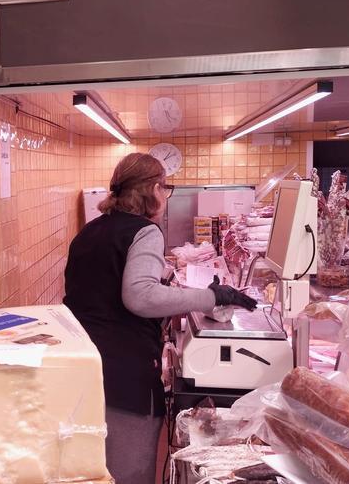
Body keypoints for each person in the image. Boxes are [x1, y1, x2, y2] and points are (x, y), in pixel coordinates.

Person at [62, 153, 256, 483]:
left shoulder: (91, 231)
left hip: (82, 368)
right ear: (154, 189)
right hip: (123, 376)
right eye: (166, 188)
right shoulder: (145, 231)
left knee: (89, 471)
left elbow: (101, 288)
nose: (165, 196)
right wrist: (212, 297)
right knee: (128, 473)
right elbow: (140, 296)